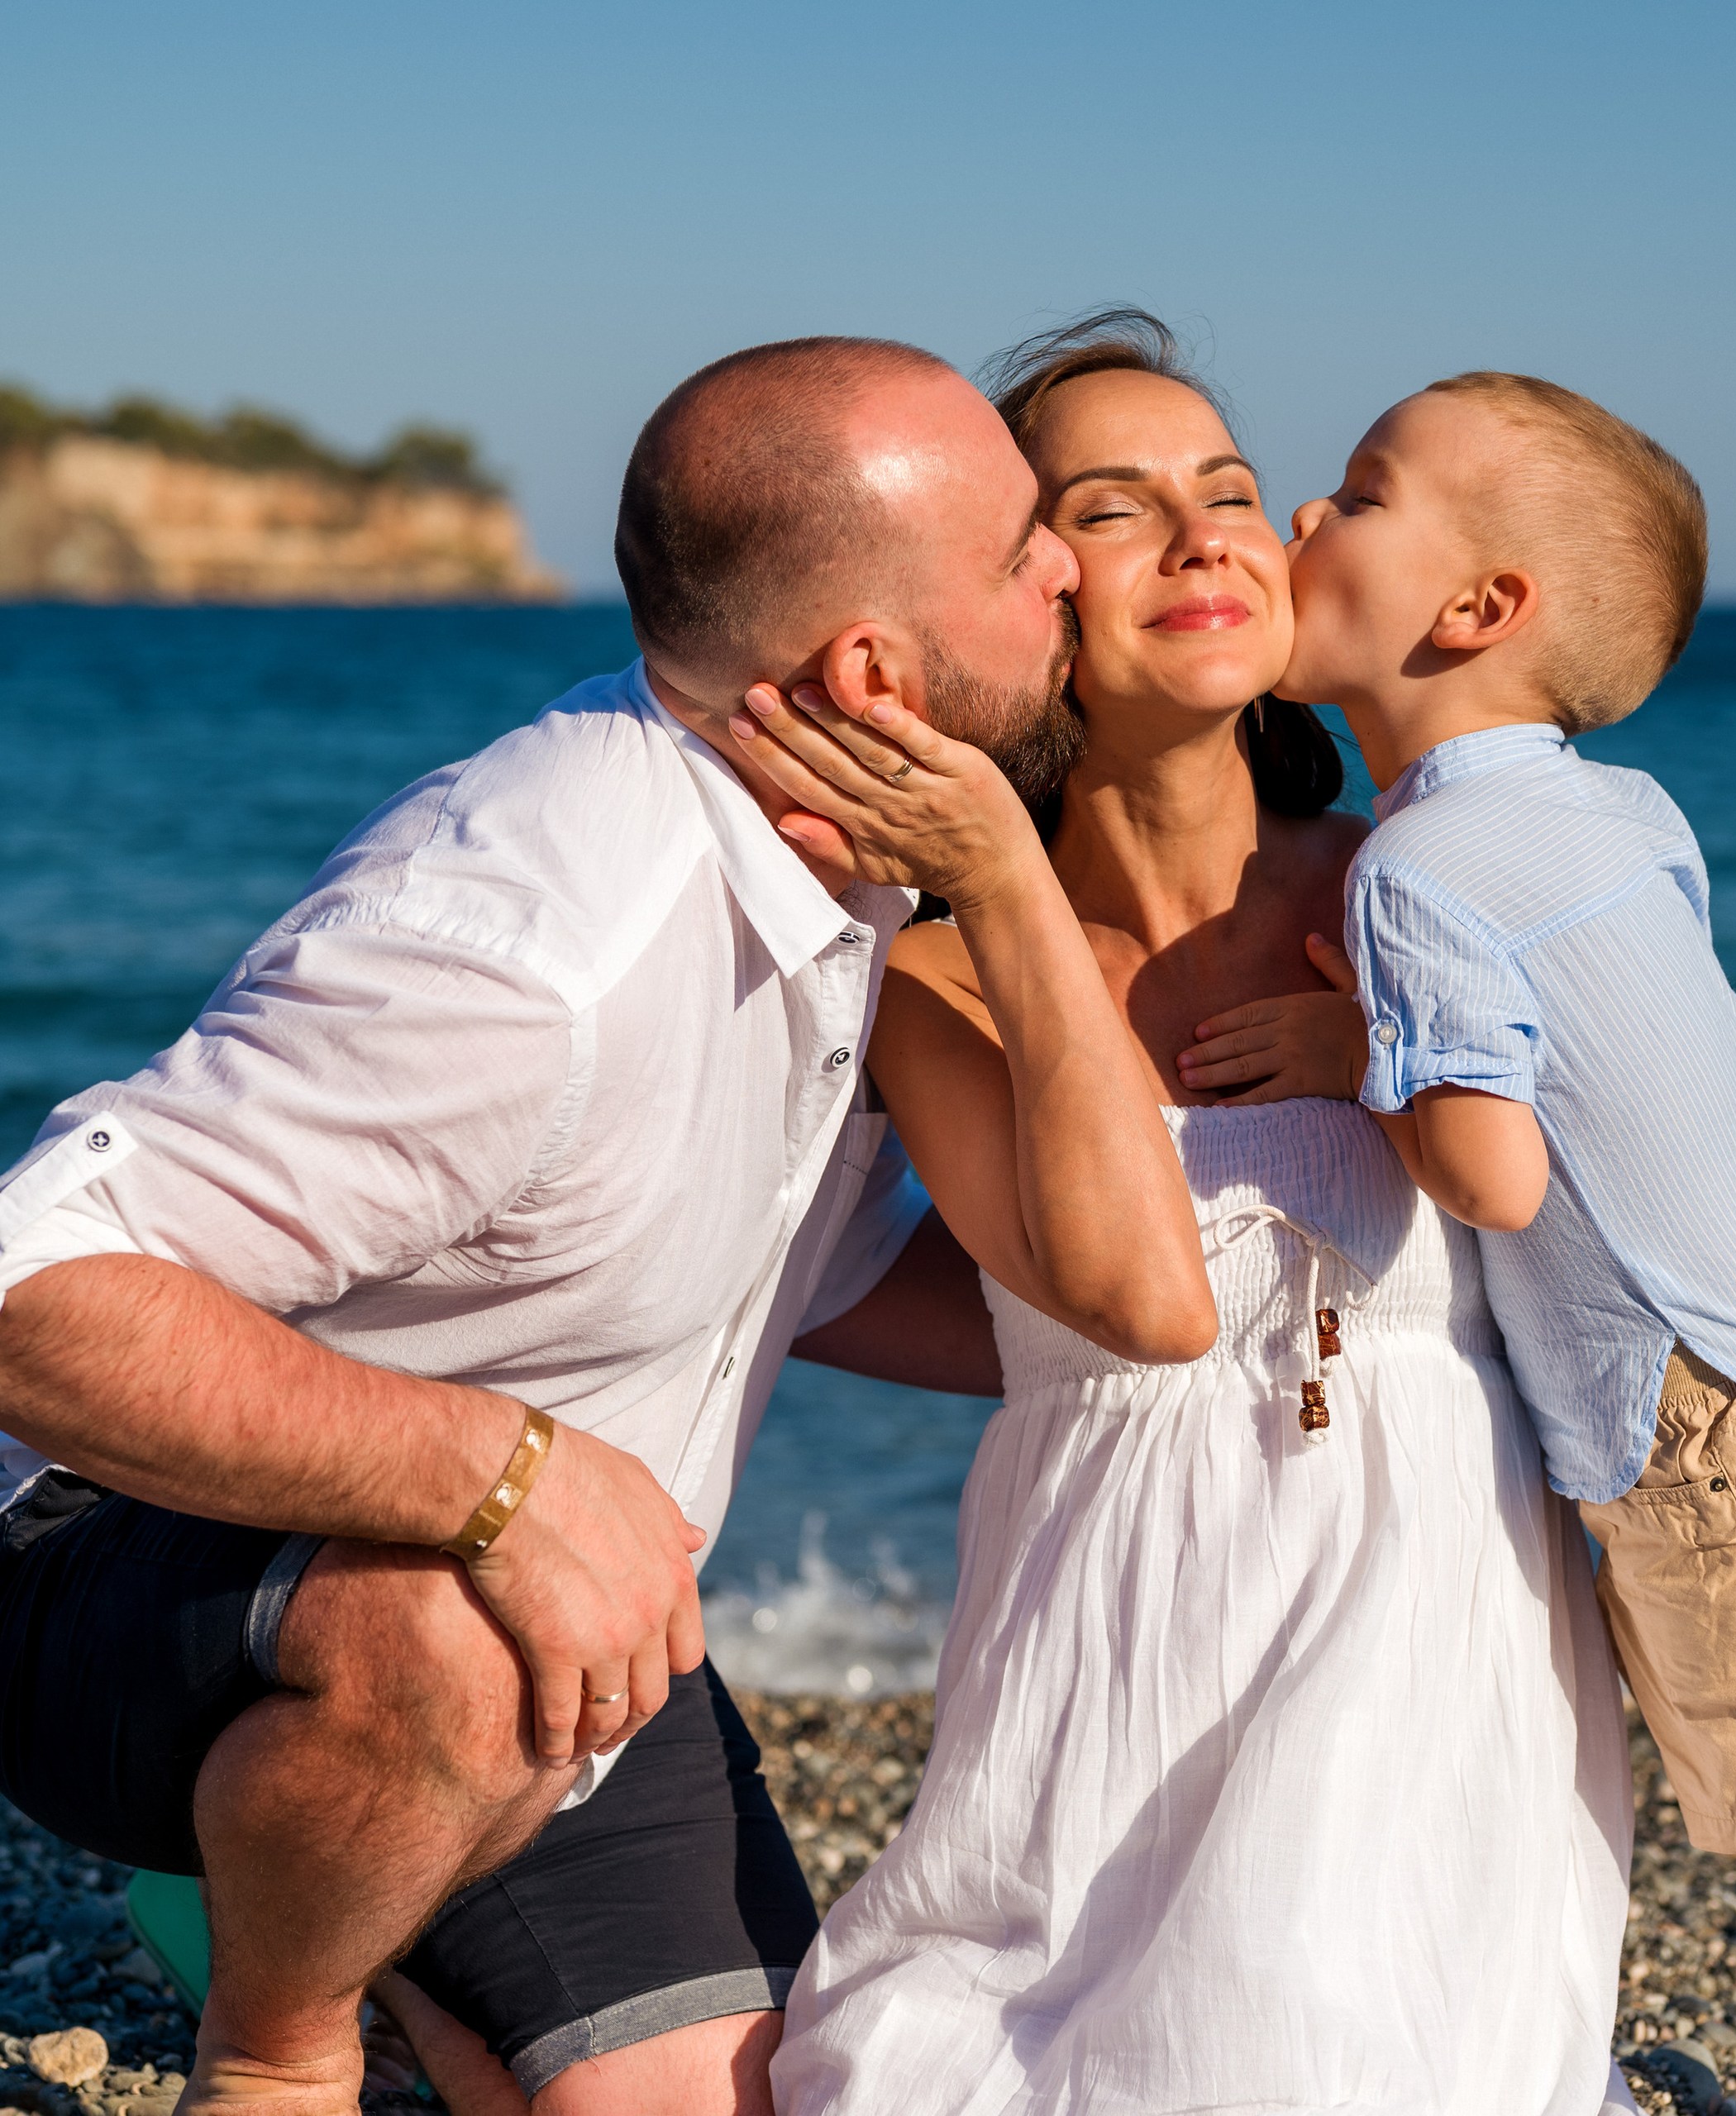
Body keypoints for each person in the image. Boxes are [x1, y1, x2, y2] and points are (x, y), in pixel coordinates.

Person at [0, 336, 1216, 2116]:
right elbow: (28, 1297)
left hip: (568, 1644)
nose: (1070, 572)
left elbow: (874, 1281)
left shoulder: (840, 864)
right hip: (111, 1568)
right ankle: (277, 2030)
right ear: (869, 672)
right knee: (445, 1641)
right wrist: (500, 1475)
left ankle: (351, 1854)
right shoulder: (533, 945)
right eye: (1027, 543)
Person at [743, 313, 1736, 2115]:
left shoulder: (1423, 882)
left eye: (1228, 487)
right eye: (1117, 507)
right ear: (1021, 592)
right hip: (1108, 1659)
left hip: (1429, 1636)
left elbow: (1672, 1142)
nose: (1217, 528)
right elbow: (1103, 1293)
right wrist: (995, 885)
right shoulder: (932, 985)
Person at [1276, 371, 1736, 2116]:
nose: (1304, 515)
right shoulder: (1623, 811)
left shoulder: (1412, 870)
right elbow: (1701, 1074)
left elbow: (1486, 1173)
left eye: (1360, 487)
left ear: (1478, 610)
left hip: (1677, 1386)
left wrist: (1360, 1053)